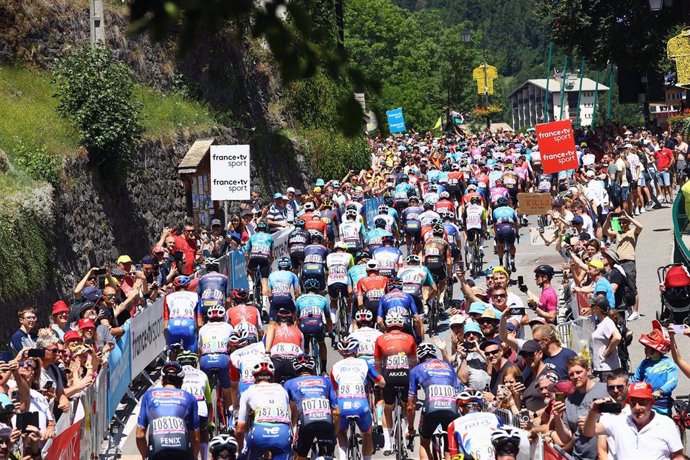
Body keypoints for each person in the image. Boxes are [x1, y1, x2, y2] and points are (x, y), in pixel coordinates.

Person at [583, 381, 684, 460]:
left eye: (642, 402)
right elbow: (589, 432)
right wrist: (592, 413)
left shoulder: (666, 424)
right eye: (633, 403)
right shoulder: (619, 421)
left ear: (651, 403)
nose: (637, 407)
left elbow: (678, 456)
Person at [330, 337, 385, 460]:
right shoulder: (364, 363)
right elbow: (381, 381)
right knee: (366, 434)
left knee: (341, 431)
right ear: (356, 350)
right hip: (360, 405)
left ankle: (343, 457)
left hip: (343, 404)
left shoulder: (334, 367)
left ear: (340, 352)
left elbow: (335, 391)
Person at [136, 362, 200, 460]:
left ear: (162, 381)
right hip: (182, 451)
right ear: (181, 382)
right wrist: (194, 457)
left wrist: (145, 456)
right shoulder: (190, 398)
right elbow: (195, 438)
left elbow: (140, 435)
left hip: (157, 451)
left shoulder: (148, 396)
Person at [407, 342, 459, 460]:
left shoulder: (416, 369)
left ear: (419, 357)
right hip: (452, 408)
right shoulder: (449, 367)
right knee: (450, 447)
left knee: (424, 443)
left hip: (431, 408)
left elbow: (410, 405)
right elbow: (457, 392)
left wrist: (410, 428)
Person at [375, 311, 417, 454]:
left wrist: (379, 379)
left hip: (389, 377)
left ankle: (387, 444)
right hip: (405, 376)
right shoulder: (410, 338)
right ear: (402, 323)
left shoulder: (380, 338)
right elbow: (413, 361)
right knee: (407, 404)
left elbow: (377, 362)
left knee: (388, 406)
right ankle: (407, 430)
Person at [284, 354, 339, 460]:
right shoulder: (326, 381)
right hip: (326, 422)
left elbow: (285, 408)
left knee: (300, 456)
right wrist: (334, 435)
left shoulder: (289, 383)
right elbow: (337, 412)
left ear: (295, 370)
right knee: (328, 454)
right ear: (313, 368)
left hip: (306, 423)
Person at [552, 356, 608, 460]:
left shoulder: (606, 390)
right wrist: (557, 417)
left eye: (579, 372)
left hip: (602, 455)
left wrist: (591, 424)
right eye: (571, 374)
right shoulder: (569, 401)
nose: (575, 376)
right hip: (578, 456)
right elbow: (566, 438)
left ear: (588, 371)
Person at [235, 359, 292, 460]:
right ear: (272, 377)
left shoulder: (248, 392)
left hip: (259, 433)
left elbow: (240, 429)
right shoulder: (282, 390)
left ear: (254, 377)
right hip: (282, 433)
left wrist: (240, 450)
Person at [631, 321, 678, 416]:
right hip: (645, 402)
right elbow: (635, 380)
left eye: (648, 347)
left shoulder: (669, 364)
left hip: (662, 405)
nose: (645, 349)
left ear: (656, 349)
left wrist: (660, 391)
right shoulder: (644, 363)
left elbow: (672, 381)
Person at [603, 209, 642, 320]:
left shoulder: (633, 232)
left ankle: (636, 311)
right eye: (620, 222)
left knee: (632, 287)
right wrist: (608, 219)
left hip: (629, 261)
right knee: (624, 287)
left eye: (624, 222)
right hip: (619, 262)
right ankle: (629, 309)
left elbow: (640, 226)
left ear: (628, 223)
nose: (622, 224)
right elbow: (606, 231)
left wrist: (628, 216)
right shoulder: (618, 232)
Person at [198, 305, 234, 416]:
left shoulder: (203, 329)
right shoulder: (228, 327)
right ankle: (231, 417)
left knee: (205, 389)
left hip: (206, 359)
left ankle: (207, 416)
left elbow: (200, 349)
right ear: (223, 317)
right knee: (228, 388)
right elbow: (233, 345)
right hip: (223, 358)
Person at [177, 351, 212, 460]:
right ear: (195, 364)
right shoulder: (202, 374)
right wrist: (210, 421)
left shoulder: (177, 376)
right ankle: (204, 457)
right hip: (201, 408)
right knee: (204, 430)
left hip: (183, 409)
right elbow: (209, 401)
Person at [295, 278, 332, 372]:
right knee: (322, 343)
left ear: (305, 289)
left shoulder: (299, 299)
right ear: (318, 289)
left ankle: (304, 367)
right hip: (317, 325)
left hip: (304, 325)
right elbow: (328, 318)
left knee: (305, 347)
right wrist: (330, 331)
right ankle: (324, 370)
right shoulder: (323, 299)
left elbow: (296, 318)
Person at [589, 297, 622, 381]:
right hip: (602, 368)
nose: (591, 307)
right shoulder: (603, 323)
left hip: (608, 368)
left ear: (598, 309)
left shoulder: (607, 323)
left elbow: (617, 337)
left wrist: (608, 350)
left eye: (593, 306)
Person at [163, 275, 199, 351]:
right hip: (189, 324)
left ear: (175, 286)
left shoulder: (168, 297)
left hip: (173, 324)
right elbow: (200, 322)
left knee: (172, 353)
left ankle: (172, 358)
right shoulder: (195, 296)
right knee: (192, 355)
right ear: (188, 285)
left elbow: (165, 326)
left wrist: (167, 343)